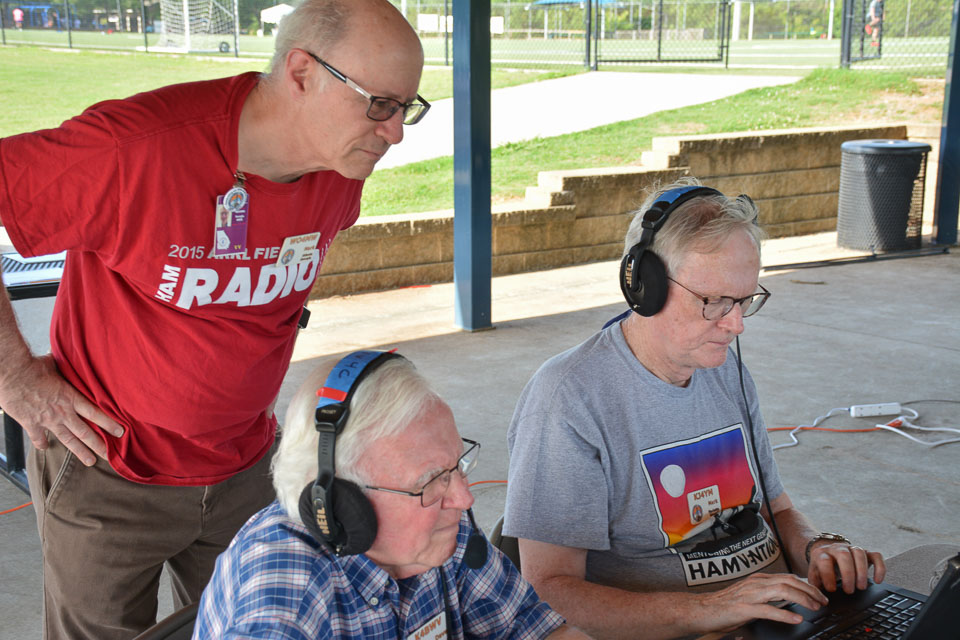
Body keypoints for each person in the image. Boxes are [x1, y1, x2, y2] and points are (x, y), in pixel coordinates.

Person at [0, 0, 429, 638]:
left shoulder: (340, 167)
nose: (395, 132)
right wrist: (13, 376)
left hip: (246, 464)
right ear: (302, 73)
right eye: (380, 105)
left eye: (407, 108)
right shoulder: (136, 148)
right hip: (108, 469)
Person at [502, 180, 886, 640]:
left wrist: (817, 549)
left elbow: (777, 509)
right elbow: (548, 592)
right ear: (645, 286)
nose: (736, 324)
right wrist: (710, 608)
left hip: (782, 619)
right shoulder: (568, 398)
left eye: (744, 300)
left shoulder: (724, 369)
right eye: (714, 302)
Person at [194, 350, 590, 639]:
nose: (463, 498)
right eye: (430, 479)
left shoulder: (443, 529)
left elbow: (529, 626)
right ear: (342, 505)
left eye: (455, 466)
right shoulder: (285, 591)